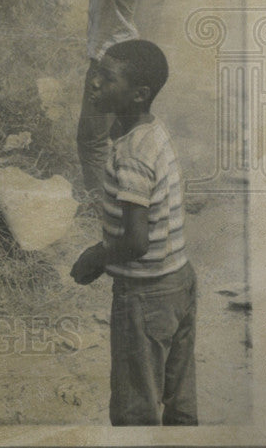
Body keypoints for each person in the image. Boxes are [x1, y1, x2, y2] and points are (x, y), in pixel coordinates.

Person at [71, 39, 197, 427]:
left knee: (134, 410)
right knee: (179, 400)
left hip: (144, 296)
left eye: (106, 79)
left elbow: (136, 241)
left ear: (139, 94)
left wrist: (96, 255)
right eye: (95, 74)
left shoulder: (132, 156)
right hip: (178, 281)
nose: (93, 83)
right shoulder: (149, 132)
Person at [17, 0, 146, 195]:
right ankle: (131, 192)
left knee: (91, 143)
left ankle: (103, 214)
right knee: (117, 134)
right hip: (124, 61)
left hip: (112, 64)